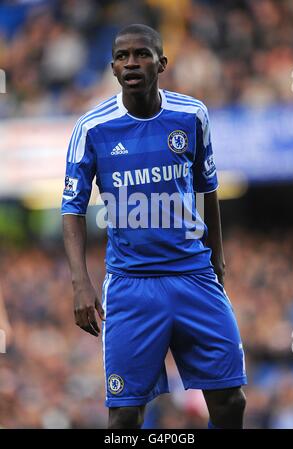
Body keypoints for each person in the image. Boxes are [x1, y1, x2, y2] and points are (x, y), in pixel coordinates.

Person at [62, 24, 247, 429]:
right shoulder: (92, 128)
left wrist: (218, 260)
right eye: (123, 56)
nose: (132, 62)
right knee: (125, 414)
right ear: (112, 66)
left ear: (161, 63)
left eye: (142, 54)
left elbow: (208, 189)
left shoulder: (192, 115)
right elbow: (71, 209)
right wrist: (80, 281)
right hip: (131, 285)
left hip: (193, 275)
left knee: (231, 401)